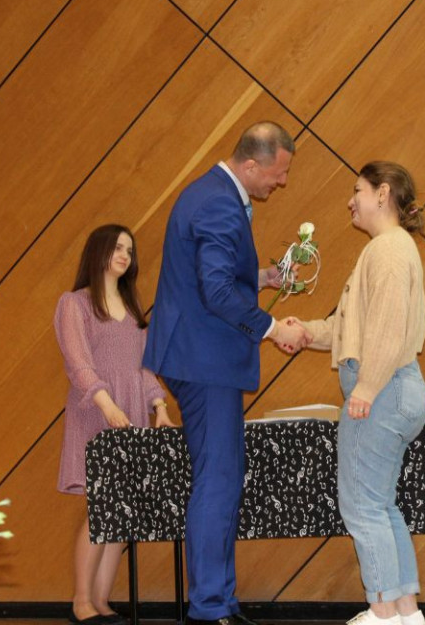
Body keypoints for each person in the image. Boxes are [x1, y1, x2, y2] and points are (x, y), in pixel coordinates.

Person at [143, 121, 309, 625]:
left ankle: (219, 601)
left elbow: (211, 278)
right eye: (278, 174)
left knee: (224, 478)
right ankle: (210, 607)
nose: (279, 184)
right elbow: (214, 293)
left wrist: (260, 277)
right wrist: (271, 325)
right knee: (217, 481)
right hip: (205, 360)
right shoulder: (218, 201)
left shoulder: (213, 194)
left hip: (200, 356)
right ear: (252, 163)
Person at [290, 161, 425, 625]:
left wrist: (365, 389)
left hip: (383, 387)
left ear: (382, 193)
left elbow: (387, 329)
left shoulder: (388, 249)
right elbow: (352, 328)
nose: (350, 200)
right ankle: (405, 614)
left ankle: (382, 612)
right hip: (398, 387)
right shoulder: (389, 249)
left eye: (357, 190)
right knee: (380, 505)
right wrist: (305, 331)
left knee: (361, 505)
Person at [54, 224, 175, 625]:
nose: (125, 254)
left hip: (131, 420)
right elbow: (79, 363)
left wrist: (158, 407)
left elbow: (142, 370)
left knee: (119, 514)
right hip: (96, 415)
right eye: (118, 247)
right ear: (99, 251)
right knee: (100, 509)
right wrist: (106, 405)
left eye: (129, 249)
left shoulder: (132, 315)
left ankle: (102, 603)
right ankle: (81, 602)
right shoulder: (75, 304)